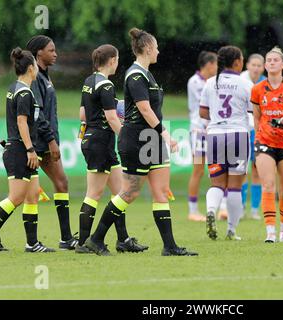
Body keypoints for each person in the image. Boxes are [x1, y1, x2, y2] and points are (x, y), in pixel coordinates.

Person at [84, 28, 197, 256]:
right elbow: (144, 109)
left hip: (151, 140)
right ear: (146, 49)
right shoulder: (135, 75)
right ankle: (95, 239)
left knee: (161, 191)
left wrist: (159, 136)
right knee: (130, 192)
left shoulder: (148, 74)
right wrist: (165, 133)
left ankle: (170, 246)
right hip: (137, 140)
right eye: (155, 47)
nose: (158, 50)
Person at [0, 48, 55, 253]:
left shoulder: (15, 87)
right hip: (20, 150)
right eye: (35, 65)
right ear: (30, 68)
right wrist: (30, 149)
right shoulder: (25, 92)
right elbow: (21, 122)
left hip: (18, 148)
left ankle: (31, 243)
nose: (37, 69)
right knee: (16, 197)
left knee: (32, 195)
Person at [75, 44, 149, 254]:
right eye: (117, 59)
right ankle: (83, 243)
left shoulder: (89, 81)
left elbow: (83, 114)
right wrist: (127, 138)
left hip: (96, 140)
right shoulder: (106, 85)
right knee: (94, 194)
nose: (117, 63)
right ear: (111, 61)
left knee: (120, 193)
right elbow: (110, 118)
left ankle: (123, 239)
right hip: (100, 142)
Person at [25, 36, 77, 250]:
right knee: (22, 194)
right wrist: (52, 141)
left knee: (62, 182)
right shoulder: (35, 76)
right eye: (51, 50)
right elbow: (37, 114)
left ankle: (66, 238)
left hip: (45, 142)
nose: (55, 54)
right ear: (39, 53)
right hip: (37, 143)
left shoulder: (45, 76)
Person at [200, 45, 253, 240]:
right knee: (235, 187)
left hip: (214, 134)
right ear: (237, 62)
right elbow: (253, 111)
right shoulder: (245, 84)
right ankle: (231, 230)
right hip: (238, 134)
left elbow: (203, 112)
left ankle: (212, 210)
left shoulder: (210, 83)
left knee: (217, 184)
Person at [251, 46, 283, 243]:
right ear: (265, 65)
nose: (271, 63)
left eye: (275, 60)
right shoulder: (257, 89)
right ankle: (270, 232)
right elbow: (257, 117)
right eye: (268, 60)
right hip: (264, 142)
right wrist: (259, 137)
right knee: (268, 185)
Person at [187, 51, 217, 222]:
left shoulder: (213, 81)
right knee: (198, 170)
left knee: (217, 170)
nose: (217, 68)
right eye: (216, 64)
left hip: (213, 130)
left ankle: (218, 208)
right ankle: (192, 210)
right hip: (199, 131)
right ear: (209, 65)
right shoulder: (195, 81)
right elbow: (205, 105)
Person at [240, 53, 266, 220]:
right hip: (243, 129)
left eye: (259, 65)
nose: (256, 68)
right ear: (247, 65)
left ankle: (255, 209)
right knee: (242, 170)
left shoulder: (266, 83)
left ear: (263, 67)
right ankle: (240, 208)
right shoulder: (241, 80)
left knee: (257, 169)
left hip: (259, 131)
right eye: (253, 64)